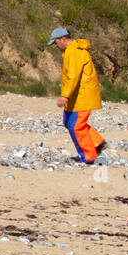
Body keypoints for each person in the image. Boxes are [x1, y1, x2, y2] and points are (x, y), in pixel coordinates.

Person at [47, 26, 106, 164]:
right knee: (68, 122)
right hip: (76, 95)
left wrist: (65, 96)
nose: (55, 46)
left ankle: (89, 156)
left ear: (63, 39)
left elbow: (73, 76)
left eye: (55, 42)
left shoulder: (73, 51)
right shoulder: (70, 51)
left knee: (76, 125)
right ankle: (97, 143)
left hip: (81, 95)